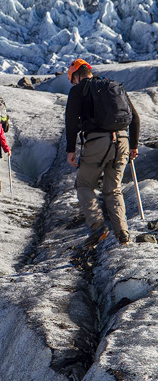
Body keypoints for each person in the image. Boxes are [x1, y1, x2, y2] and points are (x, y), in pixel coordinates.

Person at [65, 58, 140, 246]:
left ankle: (98, 226)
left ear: (75, 76)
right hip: (122, 140)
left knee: (83, 185)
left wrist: (70, 150)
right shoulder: (113, 86)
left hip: (97, 141)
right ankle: (122, 232)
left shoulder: (78, 90)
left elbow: (71, 122)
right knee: (113, 189)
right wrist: (133, 146)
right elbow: (135, 118)